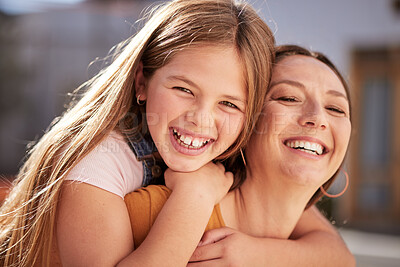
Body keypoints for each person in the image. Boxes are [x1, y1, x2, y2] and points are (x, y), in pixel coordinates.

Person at [0, 0, 275, 266]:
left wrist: (259, 255)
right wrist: (195, 196)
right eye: (184, 89)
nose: (201, 119)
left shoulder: (242, 152)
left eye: (229, 104)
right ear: (142, 81)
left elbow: (319, 243)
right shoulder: (97, 161)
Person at [124, 44, 355, 266]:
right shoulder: (154, 212)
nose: (318, 118)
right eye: (288, 98)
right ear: (243, 121)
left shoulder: (311, 256)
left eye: (336, 108)